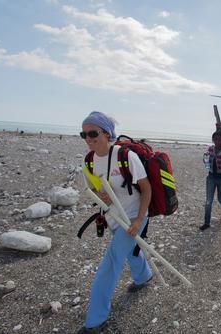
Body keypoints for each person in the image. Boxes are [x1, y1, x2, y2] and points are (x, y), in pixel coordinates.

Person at [78, 111, 153, 333]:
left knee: (110, 264)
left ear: (107, 133)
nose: (88, 139)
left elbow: (146, 189)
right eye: (84, 134)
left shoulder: (125, 156)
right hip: (112, 217)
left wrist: (140, 220)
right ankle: (144, 276)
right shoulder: (89, 160)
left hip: (133, 216)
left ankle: (95, 320)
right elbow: (93, 188)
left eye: (93, 133)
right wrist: (101, 194)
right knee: (131, 251)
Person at [200, 131, 221, 231]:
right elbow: (206, 161)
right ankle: (207, 223)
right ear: (213, 139)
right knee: (208, 201)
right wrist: (205, 157)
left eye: (220, 139)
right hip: (211, 178)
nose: (217, 141)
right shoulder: (210, 149)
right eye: (215, 139)